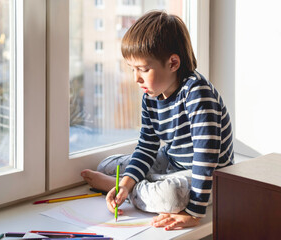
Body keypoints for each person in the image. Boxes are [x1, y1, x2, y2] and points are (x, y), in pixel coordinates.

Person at [81, 10, 234, 230]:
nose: (136, 78)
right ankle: (134, 183)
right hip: (174, 161)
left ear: (173, 63)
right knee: (106, 166)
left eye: (143, 69)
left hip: (209, 174)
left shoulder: (197, 94)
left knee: (170, 197)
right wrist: (125, 182)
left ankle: (135, 187)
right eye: (132, 69)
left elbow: (205, 158)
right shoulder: (151, 96)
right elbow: (147, 146)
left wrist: (193, 212)